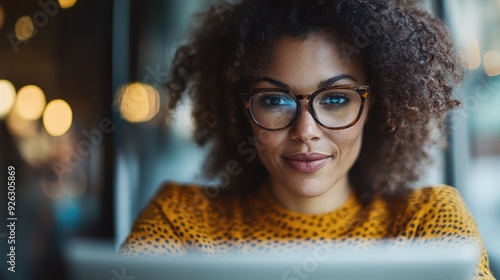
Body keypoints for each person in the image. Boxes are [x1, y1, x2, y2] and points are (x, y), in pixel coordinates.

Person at [119, 0, 495, 279]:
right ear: (239, 110)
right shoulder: (181, 224)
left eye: (335, 99)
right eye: (274, 100)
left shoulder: (428, 225)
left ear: (374, 107)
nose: (305, 131)